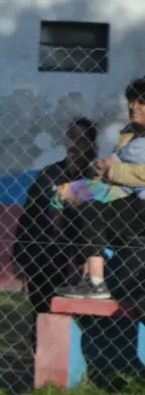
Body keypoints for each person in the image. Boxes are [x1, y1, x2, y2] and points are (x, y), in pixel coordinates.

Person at [58, 79, 145, 300]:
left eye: (142, 101)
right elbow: (113, 164)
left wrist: (110, 171)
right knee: (78, 204)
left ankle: (95, 281)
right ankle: (91, 278)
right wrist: (95, 175)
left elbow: (128, 171)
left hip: (138, 206)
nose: (133, 107)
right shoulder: (131, 135)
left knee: (92, 207)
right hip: (131, 202)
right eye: (132, 101)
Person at [12, 119, 97, 318]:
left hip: (79, 253)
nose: (76, 144)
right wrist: (19, 255)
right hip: (45, 251)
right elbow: (29, 216)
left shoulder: (94, 178)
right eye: (73, 137)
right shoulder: (49, 175)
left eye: (83, 140)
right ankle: (37, 345)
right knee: (42, 309)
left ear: (92, 145)